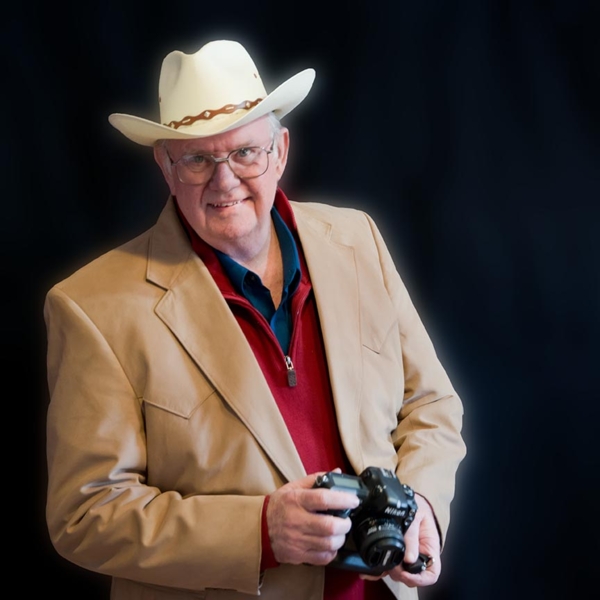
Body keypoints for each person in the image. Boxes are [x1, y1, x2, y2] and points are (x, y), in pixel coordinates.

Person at [44, 39, 466, 600]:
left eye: (245, 152)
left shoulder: (357, 239)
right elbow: (85, 514)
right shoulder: (91, 306)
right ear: (165, 166)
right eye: (197, 159)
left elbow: (430, 405)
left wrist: (421, 507)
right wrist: (261, 531)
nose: (224, 182)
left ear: (280, 150)